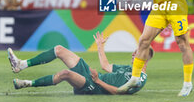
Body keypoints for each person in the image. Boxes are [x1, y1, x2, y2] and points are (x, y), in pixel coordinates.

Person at [8, 32, 153, 95]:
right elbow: (106, 66)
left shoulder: (141, 78)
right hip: (94, 77)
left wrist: (98, 81)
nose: (133, 54)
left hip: (95, 87)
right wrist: (100, 46)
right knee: (59, 49)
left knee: (65, 74)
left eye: (137, 52)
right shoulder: (129, 68)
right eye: (134, 51)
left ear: (145, 57)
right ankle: (21, 65)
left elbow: (119, 92)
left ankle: (26, 83)